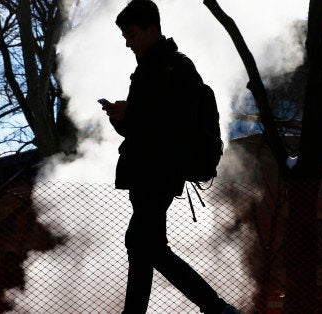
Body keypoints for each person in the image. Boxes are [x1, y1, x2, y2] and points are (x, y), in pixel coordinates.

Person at [101, 1, 240, 313]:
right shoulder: (151, 68)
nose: (128, 42)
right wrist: (120, 117)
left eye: (132, 35)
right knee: (143, 247)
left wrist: (131, 113)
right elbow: (142, 128)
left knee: (146, 246)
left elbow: (176, 124)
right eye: (125, 36)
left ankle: (217, 308)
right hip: (148, 170)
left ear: (153, 30)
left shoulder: (176, 67)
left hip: (159, 170)